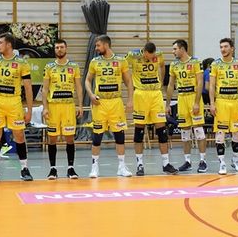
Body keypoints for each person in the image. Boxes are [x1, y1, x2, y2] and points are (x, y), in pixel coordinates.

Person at [0, 33, 34, 182]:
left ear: (9, 44)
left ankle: (24, 169)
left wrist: (29, 110)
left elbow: (28, 88)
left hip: (14, 102)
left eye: (1, 43)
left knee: (19, 135)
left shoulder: (22, 63)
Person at [85, 35, 133, 178]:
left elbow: (129, 82)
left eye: (98, 45)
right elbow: (87, 81)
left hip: (116, 102)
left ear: (106, 45)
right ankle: (94, 168)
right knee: (97, 136)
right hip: (100, 103)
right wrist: (91, 94)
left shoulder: (121, 61)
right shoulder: (95, 62)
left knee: (119, 135)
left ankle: (122, 167)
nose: (96, 48)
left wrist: (130, 100)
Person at [127, 42, 177, 176]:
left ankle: (166, 164)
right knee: (139, 130)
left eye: (152, 56)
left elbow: (162, 66)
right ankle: (139, 164)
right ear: (144, 52)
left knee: (162, 130)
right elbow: (123, 70)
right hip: (140, 94)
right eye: (148, 56)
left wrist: (161, 80)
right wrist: (130, 88)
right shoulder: (132, 55)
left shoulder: (159, 54)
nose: (150, 59)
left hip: (155, 94)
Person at [42, 39, 84, 179]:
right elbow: (45, 89)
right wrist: (45, 108)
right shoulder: (49, 67)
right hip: (53, 107)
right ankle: (52, 169)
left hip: (68, 106)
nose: (59, 49)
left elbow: (79, 87)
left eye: (61, 47)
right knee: (52, 138)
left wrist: (80, 105)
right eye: (57, 47)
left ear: (66, 48)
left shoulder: (74, 66)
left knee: (70, 138)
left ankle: (70, 168)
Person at [210, 37, 238, 173]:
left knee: (237, 133)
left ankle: (235, 160)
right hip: (221, 102)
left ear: (232, 48)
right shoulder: (215, 64)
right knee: (220, 133)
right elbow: (211, 86)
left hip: (234, 102)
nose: (223, 49)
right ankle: (222, 163)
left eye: (226, 46)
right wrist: (212, 103)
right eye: (221, 47)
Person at [166, 39, 205, 173]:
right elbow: (171, 85)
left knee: (198, 130)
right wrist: (167, 104)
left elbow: (200, 83)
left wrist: (196, 102)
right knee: (185, 132)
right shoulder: (174, 65)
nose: (173, 52)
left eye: (175, 49)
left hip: (194, 97)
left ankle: (202, 161)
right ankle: (187, 161)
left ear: (182, 49)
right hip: (181, 98)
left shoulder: (195, 62)